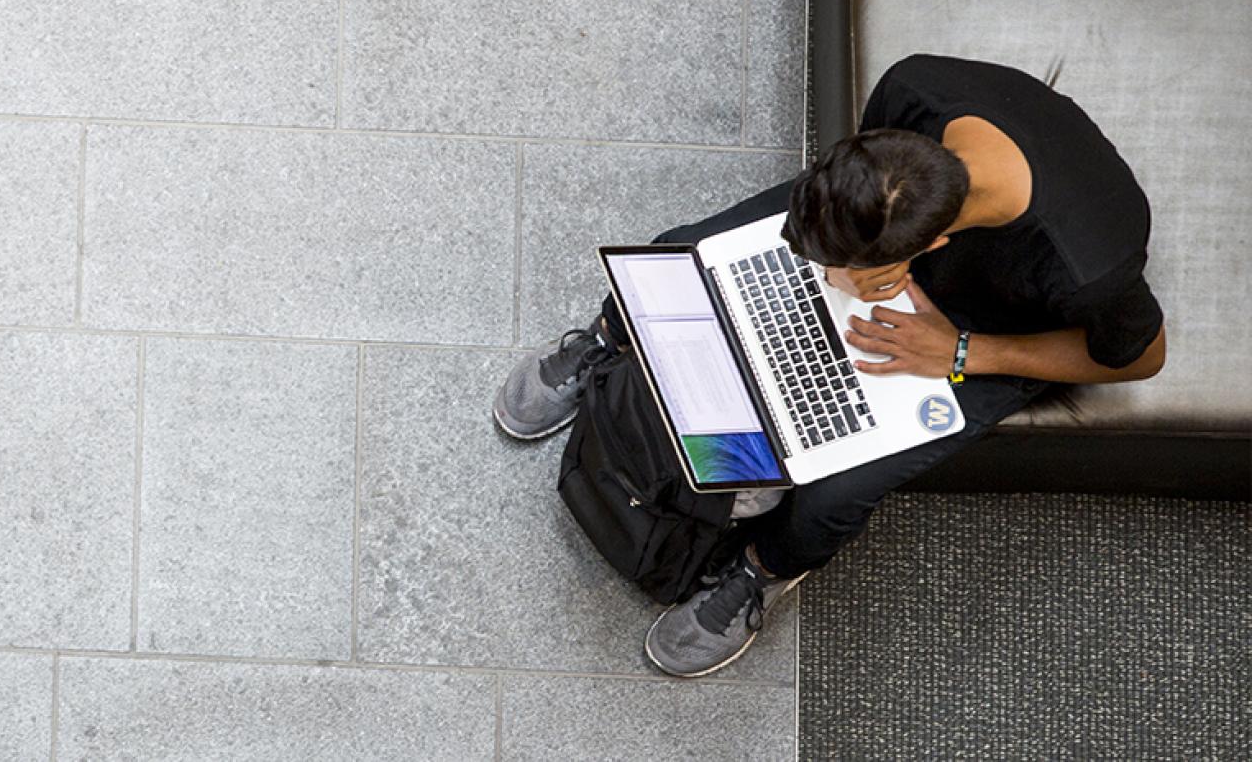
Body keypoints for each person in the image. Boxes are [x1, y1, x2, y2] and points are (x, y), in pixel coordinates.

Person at [494, 54, 1167, 677]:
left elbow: (1142, 356)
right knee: (682, 254)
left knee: (832, 491)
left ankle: (763, 569)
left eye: (839, 268)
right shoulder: (918, 88)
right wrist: (838, 261)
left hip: (990, 328)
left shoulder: (1088, 267)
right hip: (886, 237)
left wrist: (960, 351)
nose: (827, 277)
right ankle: (609, 339)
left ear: (932, 242)